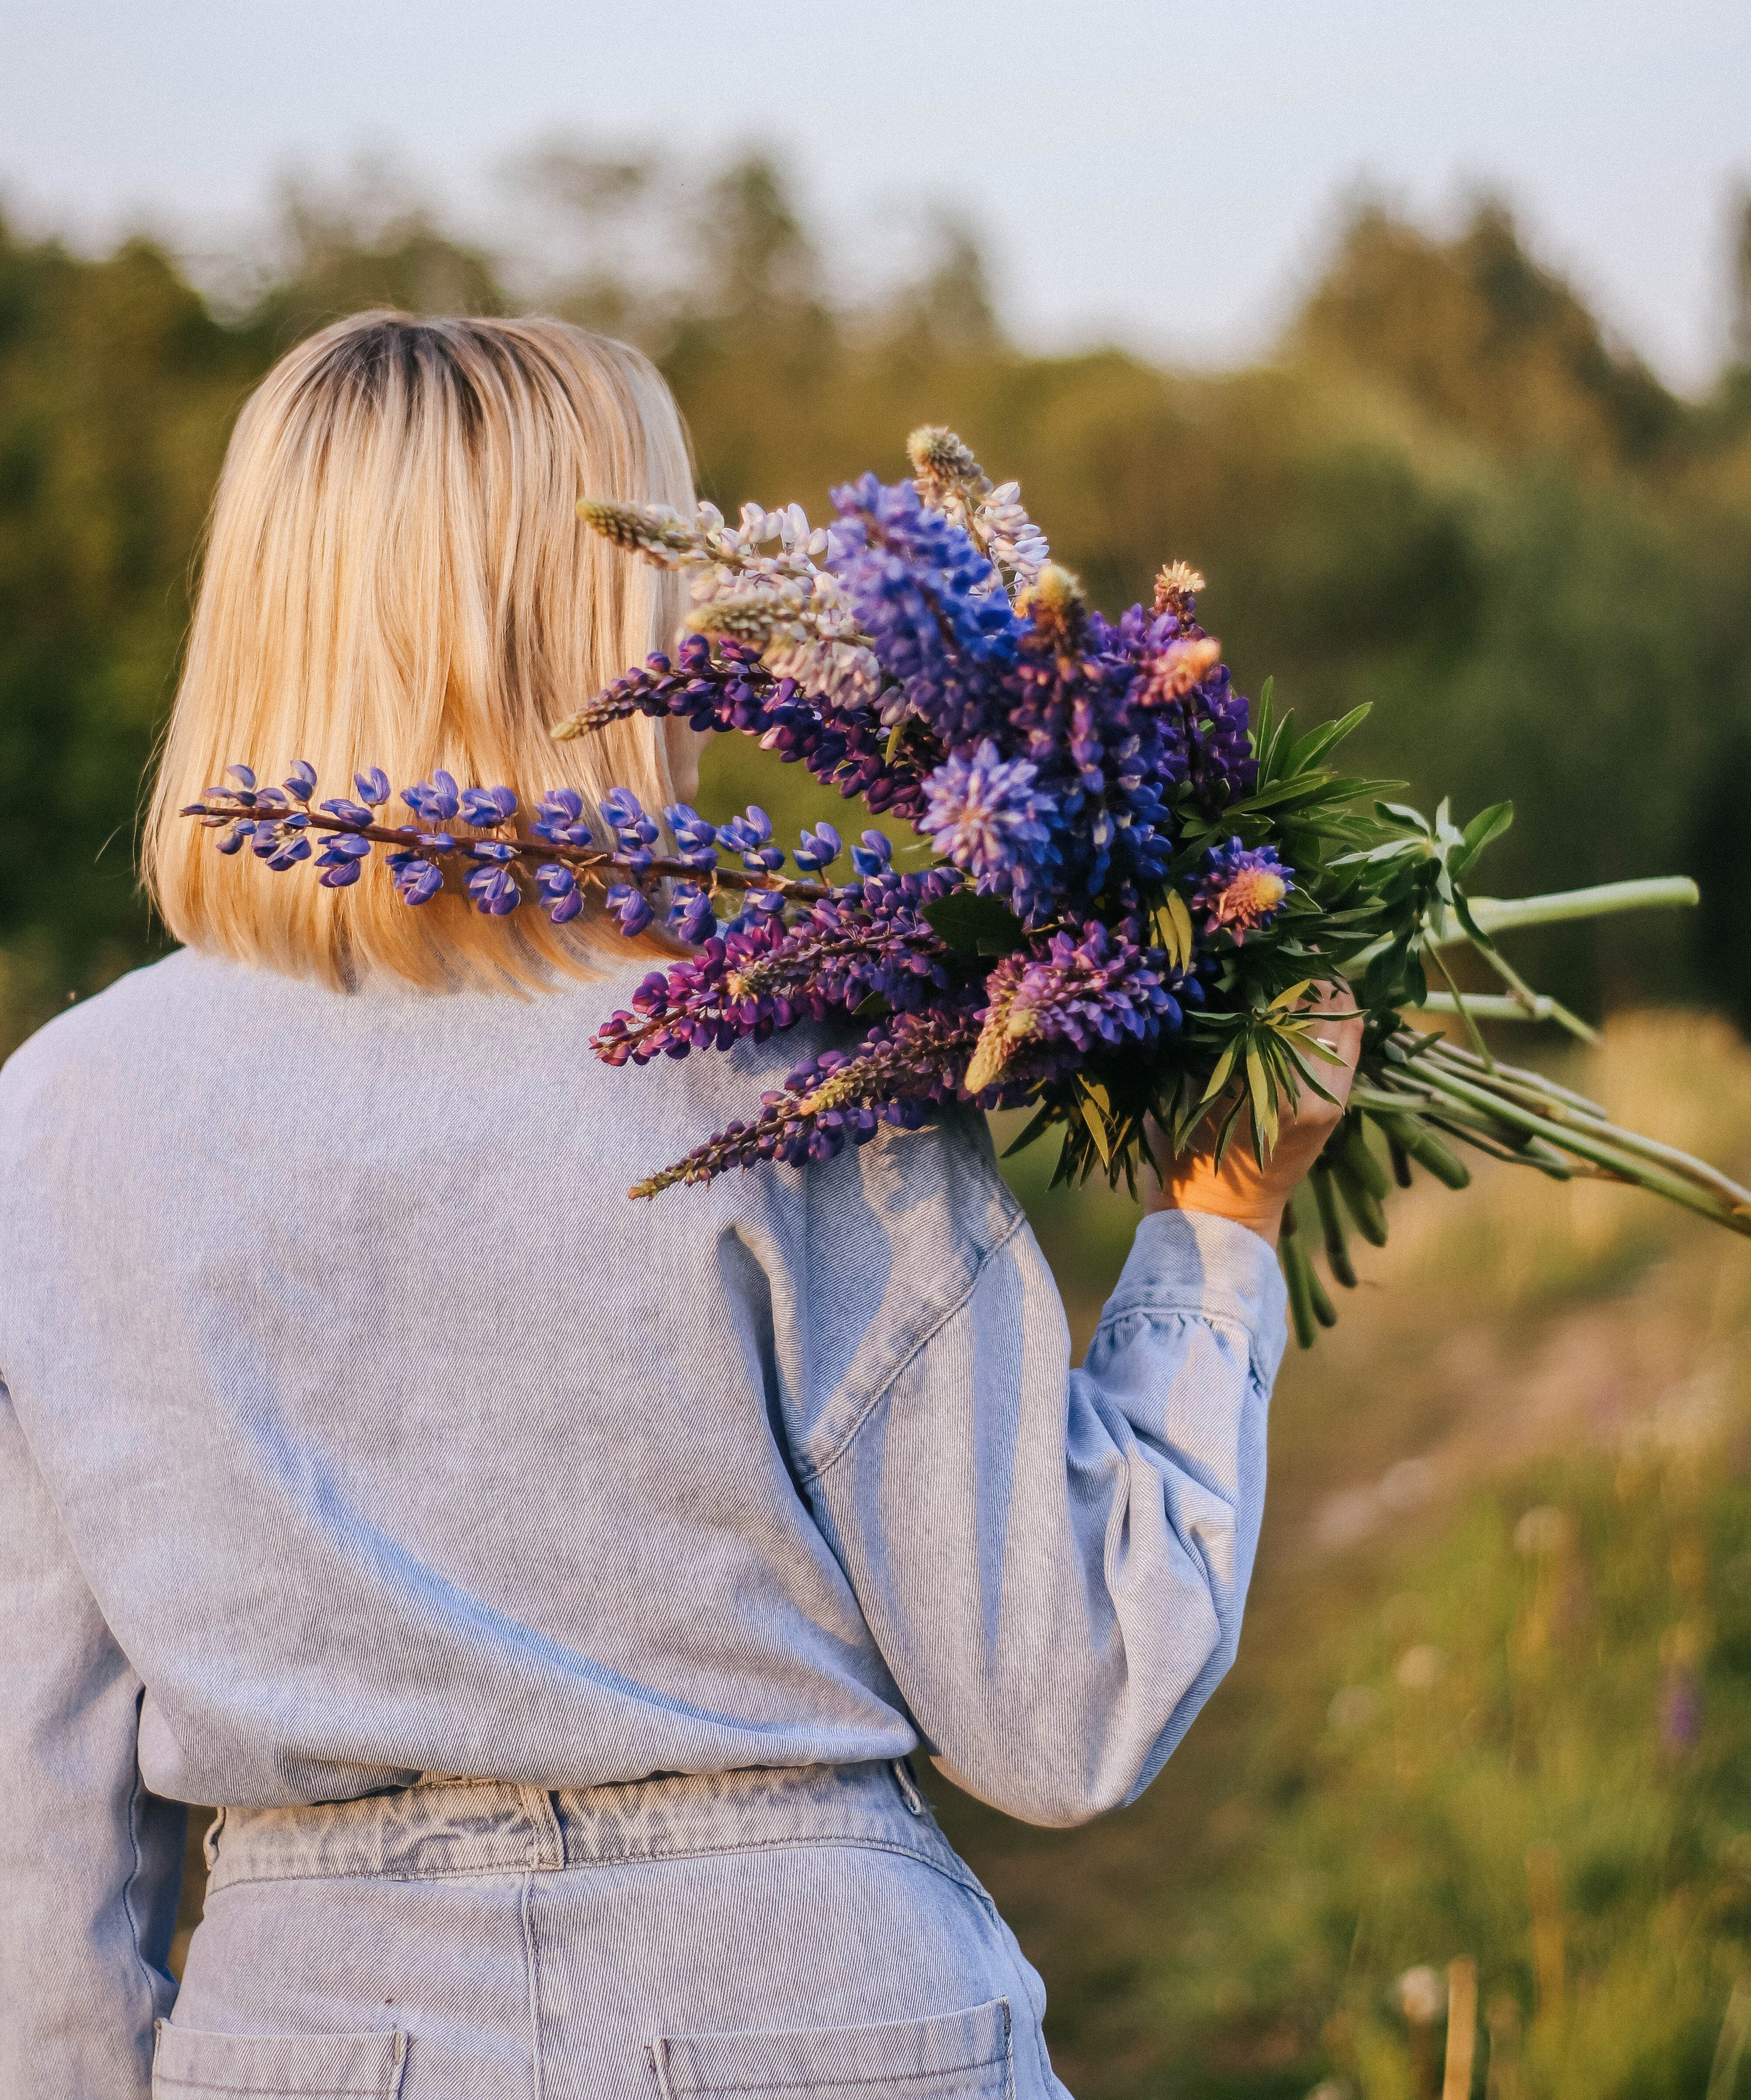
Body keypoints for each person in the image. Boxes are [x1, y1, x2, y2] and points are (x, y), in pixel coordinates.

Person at [0, 315, 1358, 2100]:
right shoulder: (780, 1051)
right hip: (824, 2016)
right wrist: (1219, 1230)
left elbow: (38, 1838)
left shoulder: (53, 1126)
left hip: (311, 2032)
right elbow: (1070, 1702)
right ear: (591, 619)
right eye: (664, 562)